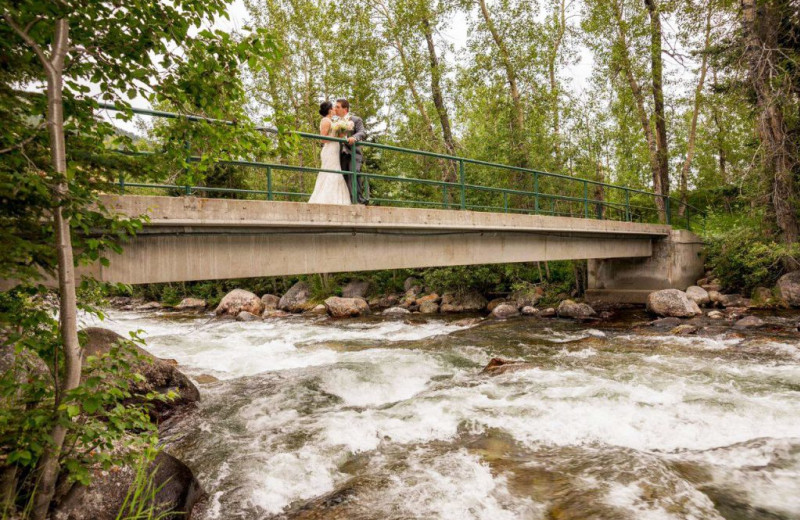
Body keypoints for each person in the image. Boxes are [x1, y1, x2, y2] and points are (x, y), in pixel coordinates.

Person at [308, 101, 352, 205]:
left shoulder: (332, 121)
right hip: (329, 150)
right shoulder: (326, 121)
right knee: (330, 172)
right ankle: (326, 200)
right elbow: (323, 139)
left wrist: (343, 130)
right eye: (333, 108)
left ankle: (338, 199)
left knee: (336, 171)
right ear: (329, 110)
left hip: (335, 149)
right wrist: (335, 136)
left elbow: (336, 136)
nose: (334, 109)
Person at [333, 98, 368, 204]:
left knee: (354, 172)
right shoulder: (335, 122)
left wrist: (354, 138)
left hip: (353, 152)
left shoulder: (356, 119)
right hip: (340, 154)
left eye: (338, 107)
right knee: (343, 177)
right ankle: (347, 200)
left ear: (345, 109)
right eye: (335, 107)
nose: (335, 109)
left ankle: (359, 199)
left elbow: (362, 132)